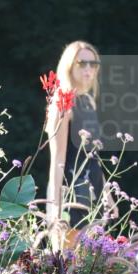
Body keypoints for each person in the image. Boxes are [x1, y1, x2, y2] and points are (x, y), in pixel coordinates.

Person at [45, 41, 105, 238]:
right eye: (82, 63)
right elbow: (58, 161)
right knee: (72, 263)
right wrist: (55, 208)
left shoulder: (88, 102)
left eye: (93, 64)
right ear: (69, 66)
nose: (88, 69)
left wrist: (108, 197)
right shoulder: (61, 105)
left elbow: (93, 156)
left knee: (93, 263)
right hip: (71, 193)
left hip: (94, 191)